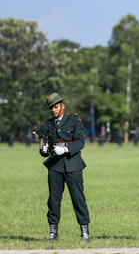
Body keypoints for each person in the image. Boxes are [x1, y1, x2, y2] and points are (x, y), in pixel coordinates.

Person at [38, 92, 90, 242]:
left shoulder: (74, 121)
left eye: (55, 107)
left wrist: (66, 149)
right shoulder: (47, 125)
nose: (53, 110)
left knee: (78, 198)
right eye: (51, 108)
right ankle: (53, 233)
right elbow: (45, 149)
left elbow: (80, 141)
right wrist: (43, 150)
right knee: (54, 200)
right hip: (55, 166)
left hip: (73, 164)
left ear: (62, 106)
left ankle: (85, 232)